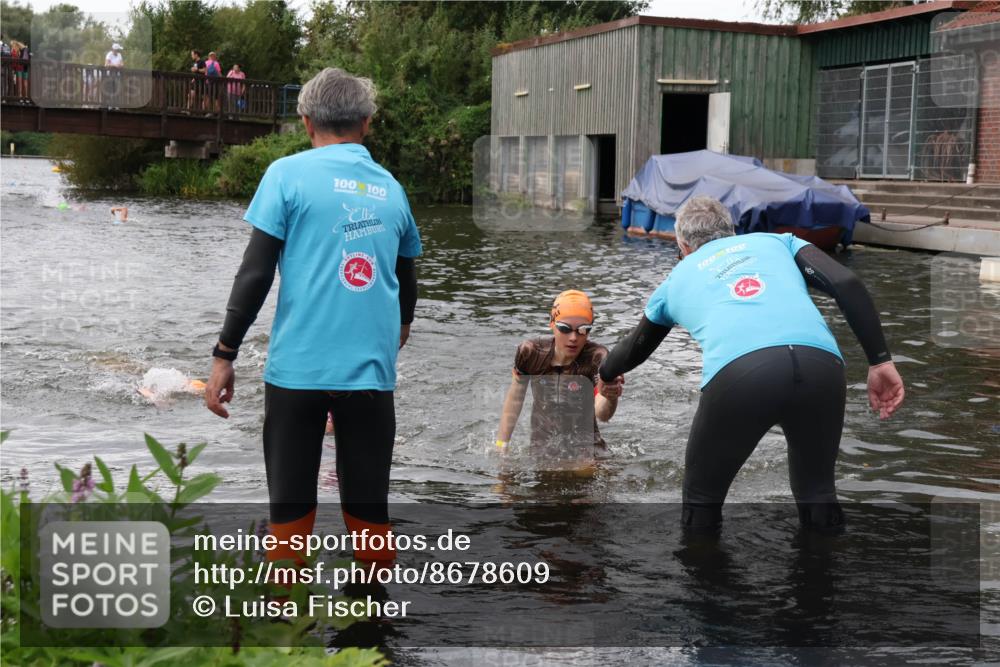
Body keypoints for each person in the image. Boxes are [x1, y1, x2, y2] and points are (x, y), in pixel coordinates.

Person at [204, 67, 421, 568]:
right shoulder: (392, 189)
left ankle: (285, 627)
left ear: (305, 123)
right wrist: (400, 327)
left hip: (296, 375)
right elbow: (406, 276)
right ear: (367, 122)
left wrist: (224, 354)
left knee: (289, 514)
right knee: (370, 515)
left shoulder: (286, 175)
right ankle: (372, 632)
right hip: (369, 375)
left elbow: (255, 274)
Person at [600, 196, 904, 533]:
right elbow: (847, 283)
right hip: (822, 366)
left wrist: (605, 373)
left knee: (702, 497)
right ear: (733, 231)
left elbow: (633, 348)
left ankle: (703, 582)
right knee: (817, 491)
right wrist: (880, 362)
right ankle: (823, 580)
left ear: (682, 245)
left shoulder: (675, 280)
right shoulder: (778, 242)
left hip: (742, 374)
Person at [496, 290, 624, 466]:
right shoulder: (530, 353)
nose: (573, 338)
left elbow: (602, 413)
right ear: (552, 323)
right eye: (565, 328)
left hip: (588, 454)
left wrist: (610, 397)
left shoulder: (597, 358)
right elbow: (515, 398)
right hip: (542, 451)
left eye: (583, 330)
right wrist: (502, 443)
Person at [104, 42, 123, 107]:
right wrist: (115, 65)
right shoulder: (109, 54)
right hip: (110, 74)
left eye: (118, 50)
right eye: (117, 50)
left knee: (117, 89)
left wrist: (118, 65)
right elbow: (106, 65)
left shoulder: (119, 55)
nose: (118, 51)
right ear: (114, 49)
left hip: (117, 74)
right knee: (110, 89)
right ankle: (110, 105)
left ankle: (116, 105)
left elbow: (122, 64)